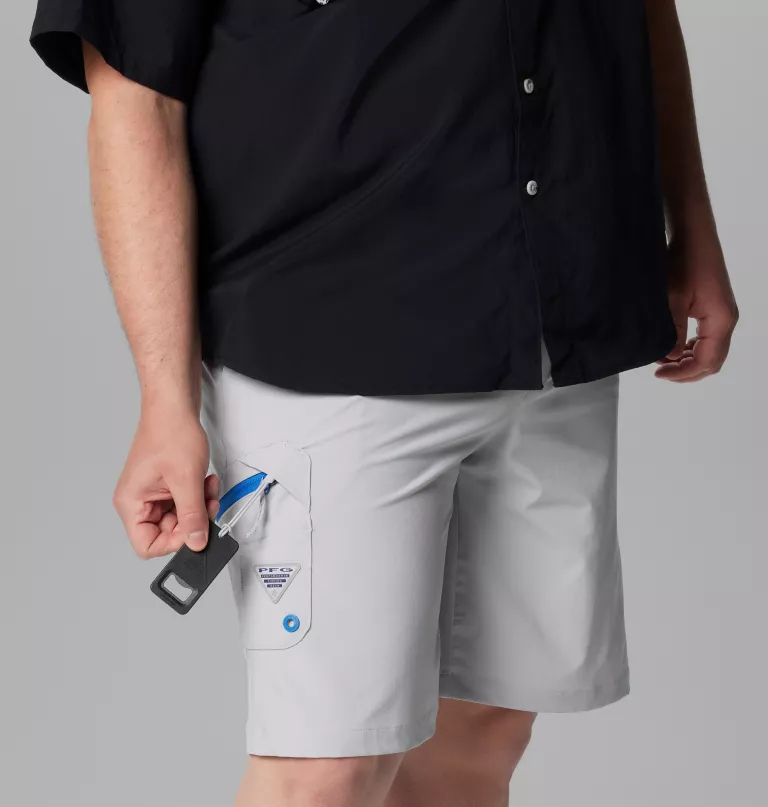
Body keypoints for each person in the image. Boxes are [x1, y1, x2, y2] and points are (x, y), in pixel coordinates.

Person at [29, 1, 738, 805]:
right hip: (329, 334)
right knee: (321, 770)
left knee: (484, 730)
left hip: (556, 315)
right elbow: (134, 86)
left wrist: (690, 223)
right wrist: (165, 399)